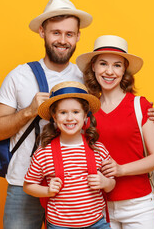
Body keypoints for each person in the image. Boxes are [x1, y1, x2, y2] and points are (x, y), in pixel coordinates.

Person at [0, 0, 154, 229]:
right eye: (56, 32)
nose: (62, 40)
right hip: (24, 182)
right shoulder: (19, 76)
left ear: (78, 36)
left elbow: (113, 110)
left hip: (76, 192)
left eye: (69, 34)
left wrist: (146, 116)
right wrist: (29, 111)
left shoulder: (87, 79)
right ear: (42, 31)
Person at [76, 35, 154, 229]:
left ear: (124, 69)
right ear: (93, 67)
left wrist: (121, 169)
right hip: (97, 205)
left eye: (117, 65)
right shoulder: (85, 110)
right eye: (103, 64)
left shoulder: (140, 105)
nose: (109, 71)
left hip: (139, 205)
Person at [23, 81, 115, 229]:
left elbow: (112, 184)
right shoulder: (43, 153)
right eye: (63, 112)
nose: (70, 118)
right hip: (60, 225)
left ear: (85, 114)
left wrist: (105, 182)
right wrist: (47, 190)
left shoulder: (98, 149)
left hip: (96, 223)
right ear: (54, 116)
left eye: (76, 112)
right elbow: (28, 186)